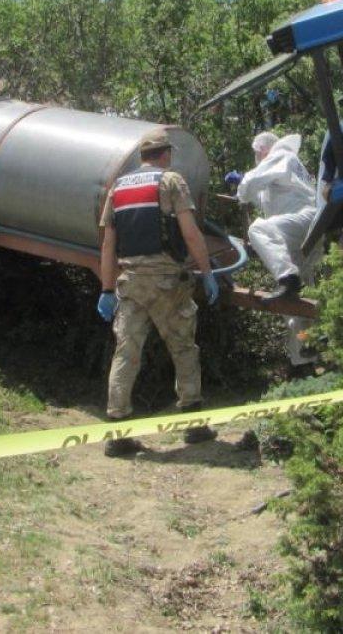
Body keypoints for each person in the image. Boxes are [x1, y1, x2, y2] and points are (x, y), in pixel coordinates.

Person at [97, 132, 220, 457]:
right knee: (183, 348)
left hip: (130, 283)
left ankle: (118, 432)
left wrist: (107, 288)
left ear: (142, 156)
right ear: (165, 154)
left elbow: (109, 244)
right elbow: (190, 232)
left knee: (126, 352)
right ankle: (194, 424)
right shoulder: (171, 181)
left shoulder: (118, 187)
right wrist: (207, 272)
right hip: (167, 281)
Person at [227, 131, 321, 367]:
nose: (257, 157)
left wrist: (243, 184)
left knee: (258, 229)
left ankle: (287, 277)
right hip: (299, 230)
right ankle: (305, 360)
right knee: (298, 303)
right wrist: (244, 188)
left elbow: (249, 186)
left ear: (264, 150)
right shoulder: (284, 167)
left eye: (257, 153)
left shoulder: (281, 155)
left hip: (302, 221)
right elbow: (264, 197)